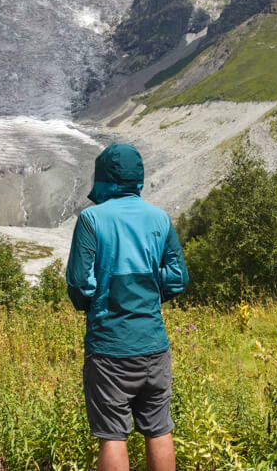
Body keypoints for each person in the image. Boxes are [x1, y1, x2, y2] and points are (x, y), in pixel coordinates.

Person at [66, 143, 188, 471]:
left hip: (109, 349)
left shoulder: (92, 219)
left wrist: (94, 303)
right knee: (159, 428)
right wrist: (146, 292)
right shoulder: (159, 219)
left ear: (103, 177)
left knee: (112, 436)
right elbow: (177, 278)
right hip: (153, 346)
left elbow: (80, 284)